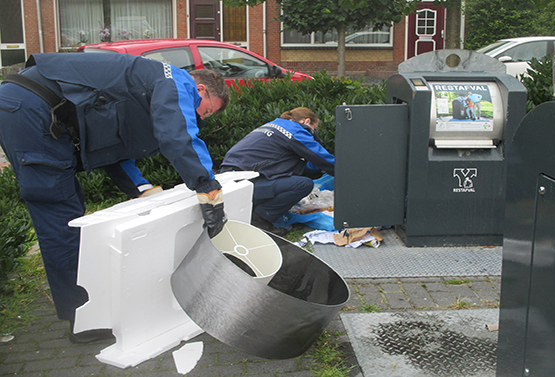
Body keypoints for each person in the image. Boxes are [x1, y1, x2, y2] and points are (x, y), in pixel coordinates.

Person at [0, 53, 229, 343]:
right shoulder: (176, 81)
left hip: (27, 106)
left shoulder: (144, 82)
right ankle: (82, 319)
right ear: (201, 90)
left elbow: (110, 144)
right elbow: (178, 134)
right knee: (60, 216)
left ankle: (83, 305)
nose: (200, 118)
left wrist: (141, 187)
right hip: (34, 109)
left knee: (65, 211)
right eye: (206, 112)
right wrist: (207, 186)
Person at [220, 107, 335, 235]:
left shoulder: (273, 126)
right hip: (246, 183)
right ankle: (259, 219)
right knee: (303, 185)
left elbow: (295, 163)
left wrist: (320, 168)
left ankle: (255, 212)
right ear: (307, 122)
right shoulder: (295, 130)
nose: (312, 133)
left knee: (293, 182)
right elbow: (321, 158)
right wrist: (347, 171)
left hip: (231, 180)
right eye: (314, 129)